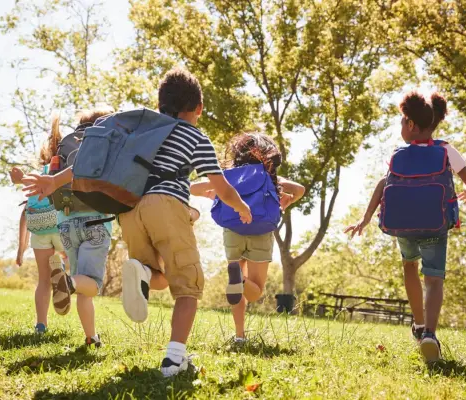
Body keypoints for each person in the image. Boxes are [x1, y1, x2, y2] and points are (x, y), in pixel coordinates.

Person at [22, 68, 252, 377]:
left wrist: (54, 181)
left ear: (161, 105)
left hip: (130, 209)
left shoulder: (145, 129)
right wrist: (241, 206)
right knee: (189, 286)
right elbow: (220, 185)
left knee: (159, 274)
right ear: (198, 108)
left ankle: (142, 271)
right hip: (167, 205)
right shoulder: (195, 136)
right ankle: (174, 360)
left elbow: (92, 161)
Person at [345, 92, 466, 362]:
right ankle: (430, 333)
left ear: (410, 124)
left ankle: (418, 325)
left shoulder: (399, 154)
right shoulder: (446, 150)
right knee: (433, 278)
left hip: (403, 226)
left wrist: (366, 217)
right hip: (435, 225)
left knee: (409, 266)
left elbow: (383, 184)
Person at [191, 132, 304, 343]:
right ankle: (241, 279)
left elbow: (193, 188)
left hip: (233, 229)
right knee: (254, 291)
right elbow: (299, 189)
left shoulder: (227, 176)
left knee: (237, 290)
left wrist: (214, 192)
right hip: (261, 230)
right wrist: (283, 203)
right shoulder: (269, 176)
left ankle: (240, 335)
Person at [23, 106, 115, 348]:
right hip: (96, 222)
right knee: (90, 284)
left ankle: (91, 338)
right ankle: (69, 283)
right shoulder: (105, 142)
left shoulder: (68, 144)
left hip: (66, 223)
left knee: (82, 280)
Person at [10, 114, 66, 335]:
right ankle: (66, 275)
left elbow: (24, 215)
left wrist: (21, 249)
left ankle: (41, 325)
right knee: (72, 260)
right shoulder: (64, 174)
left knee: (43, 280)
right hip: (61, 227)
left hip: (40, 230)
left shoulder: (36, 175)